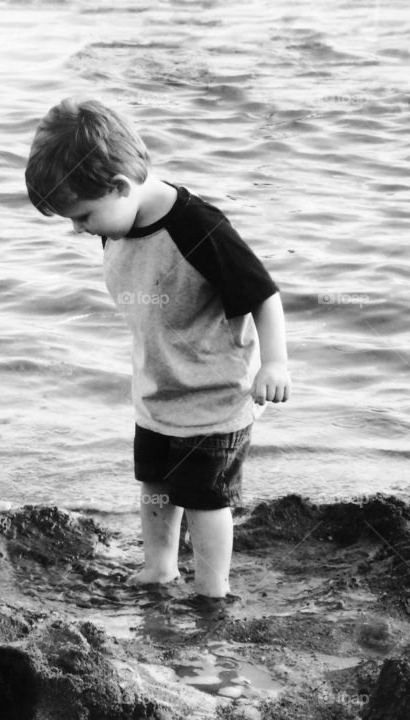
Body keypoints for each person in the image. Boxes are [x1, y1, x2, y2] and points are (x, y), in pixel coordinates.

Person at [24, 98, 290, 598]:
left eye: (82, 217)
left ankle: (213, 589)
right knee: (156, 485)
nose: (78, 229)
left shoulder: (198, 228)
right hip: (156, 391)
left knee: (206, 500)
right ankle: (160, 567)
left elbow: (263, 293)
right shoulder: (118, 220)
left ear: (120, 188)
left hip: (212, 396)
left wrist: (274, 362)